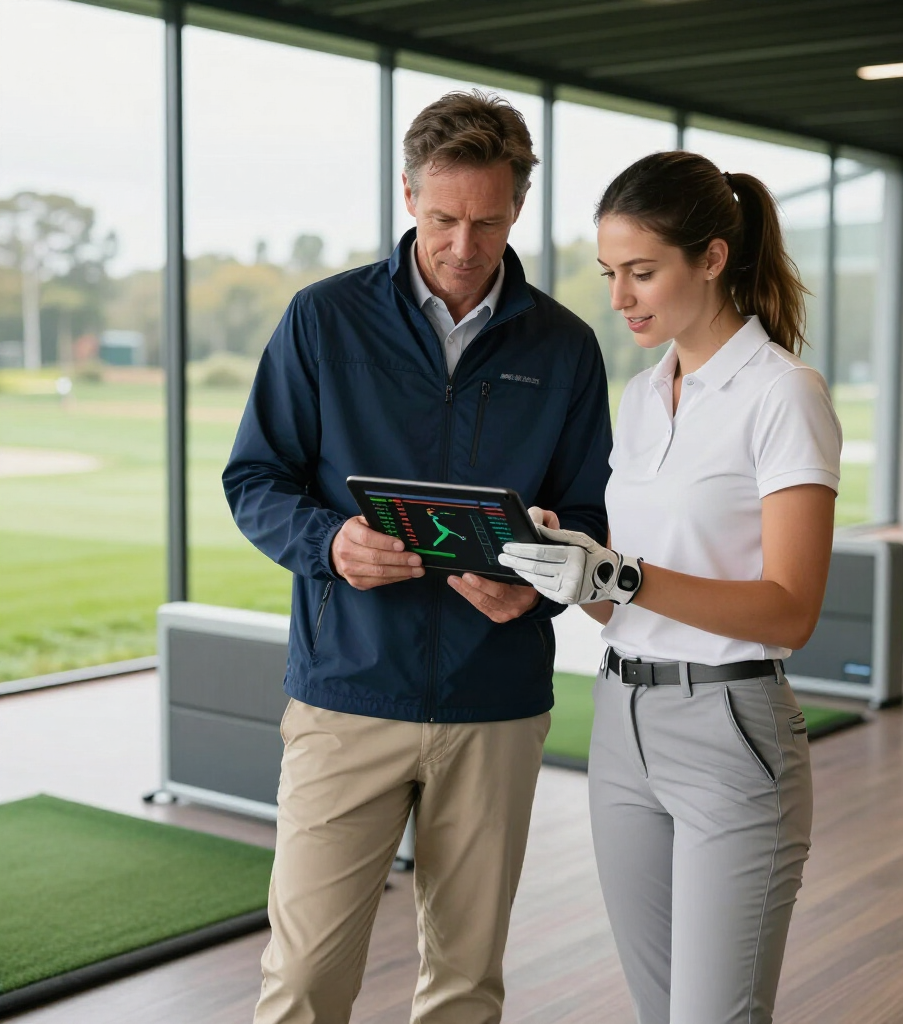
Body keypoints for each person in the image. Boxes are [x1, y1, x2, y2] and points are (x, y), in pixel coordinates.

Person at [223, 91, 613, 1024]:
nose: (464, 245)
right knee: (306, 978)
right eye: (442, 218)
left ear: (518, 206)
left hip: (495, 704)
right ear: (407, 195)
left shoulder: (566, 349)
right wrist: (329, 543)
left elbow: (590, 516)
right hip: (346, 695)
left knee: (467, 985)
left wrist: (542, 592)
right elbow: (255, 479)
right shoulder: (322, 322)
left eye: (486, 220)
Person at [500, 151, 842, 1024]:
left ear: (714, 258)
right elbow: (626, 597)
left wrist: (621, 572)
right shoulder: (646, 394)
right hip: (621, 724)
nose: (620, 298)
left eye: (643, 272)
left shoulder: (783, 395)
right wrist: (573, 570)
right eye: (612, 273)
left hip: (731, 730)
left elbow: (791, 609)